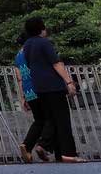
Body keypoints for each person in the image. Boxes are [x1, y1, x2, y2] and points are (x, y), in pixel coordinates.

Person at [22, 17, 86, 163]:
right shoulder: (44, 43)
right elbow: (56, 64)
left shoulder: (27, 45)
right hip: (53, 86)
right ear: (41, 29)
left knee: (52, 119)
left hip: (39, 87)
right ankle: (68, 153)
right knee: (63, 120)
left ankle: (55, 151)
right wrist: (69, 81)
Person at [14, 32, 53, 162]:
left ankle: (27, 145)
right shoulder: (32, 52)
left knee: (39, 120)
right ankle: (42, 145)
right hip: (40, 87)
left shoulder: (18, 56)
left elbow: (20, 78)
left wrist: (23, 96)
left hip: (28, 90)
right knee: (51, 117)